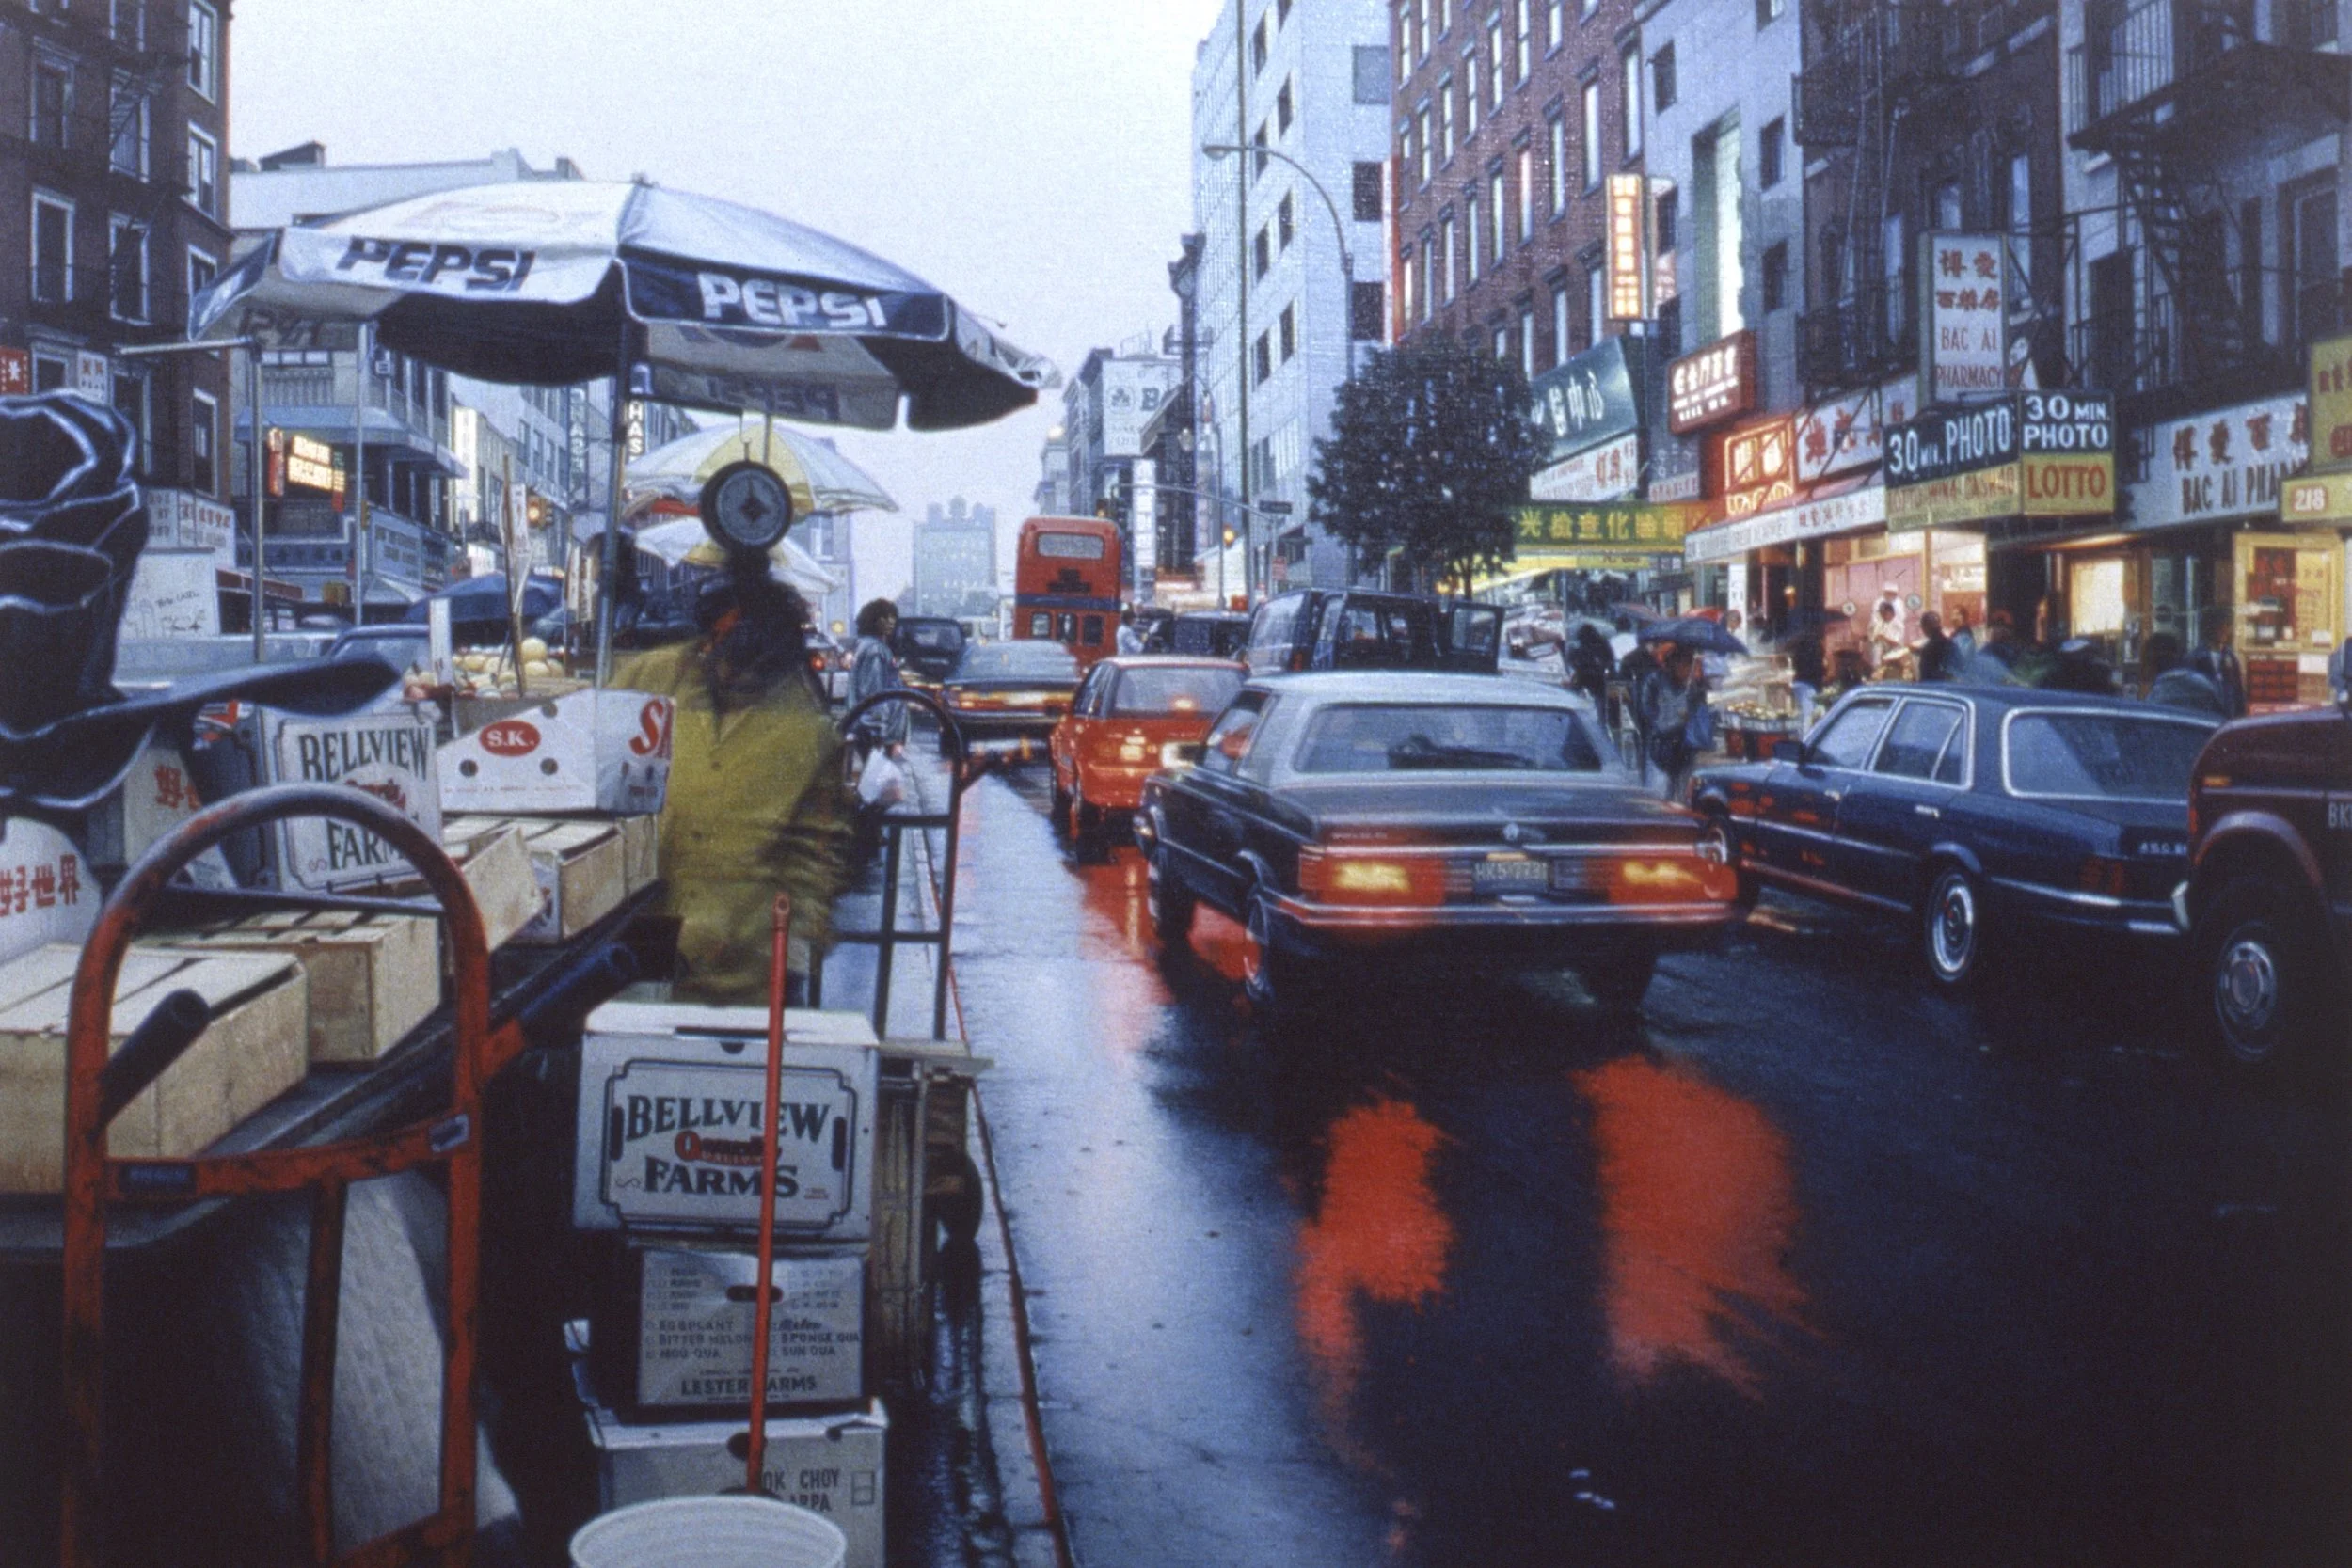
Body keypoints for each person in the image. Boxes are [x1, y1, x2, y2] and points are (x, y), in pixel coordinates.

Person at [617, 556, 852, 1005]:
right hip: (641, 946)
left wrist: (797, 946)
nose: (736, 671)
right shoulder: (649, 679)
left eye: (755, 663)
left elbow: (817, 855)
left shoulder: (807, 727)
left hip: (750, 962)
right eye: (723, 647)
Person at [1638, 643, 1709, 800]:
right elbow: (1646, 706)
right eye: (1684, 664)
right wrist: (1661, 721)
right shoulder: (1655, 680)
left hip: (1686, 741)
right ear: (1673, 663)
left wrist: (1699, 690)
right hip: (1663, 740)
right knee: (1664, 786)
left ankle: (1681, 806)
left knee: (1684, 785)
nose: (1687, 669)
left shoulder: (1692, 683)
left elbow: (1700, 707)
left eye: (1689, 664)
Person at [850, 598, 910, 756]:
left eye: (892, 617)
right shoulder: (875, 650)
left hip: (871, 730)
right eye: (884, 617)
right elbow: (875, 693)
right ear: (872, 620)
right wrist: (877, 732)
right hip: (876, 734)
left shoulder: (867, 645)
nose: (890, 622)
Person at [2188, 604, 2248, 719]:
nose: (2225, 630)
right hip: (2205, 717)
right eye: (2220, 625)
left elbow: (2238, 693)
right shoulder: (2194, 658)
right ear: (2210, 628)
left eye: (2228, 625)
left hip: (2227, 718)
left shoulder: (2231, 658)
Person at [1914, 610, 1959, 682]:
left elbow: (1925, 676)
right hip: (1952, 685)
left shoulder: (1928, 649)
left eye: (1922, 627)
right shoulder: (1951, 644)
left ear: (1927, 628)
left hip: (1934, 686)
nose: (1922, 630)